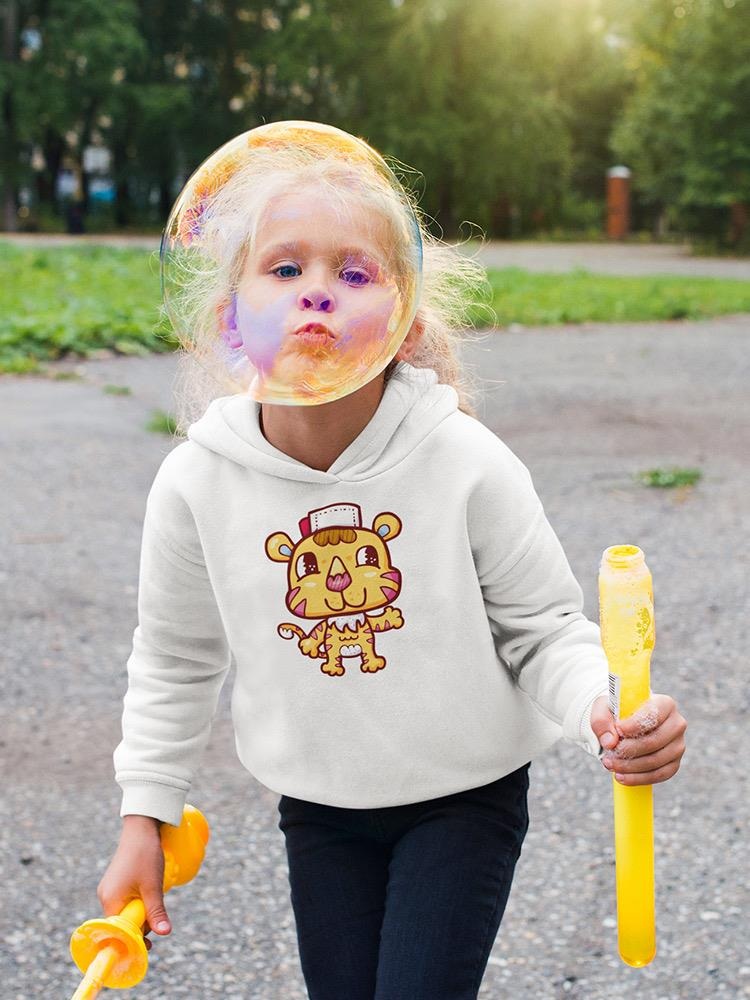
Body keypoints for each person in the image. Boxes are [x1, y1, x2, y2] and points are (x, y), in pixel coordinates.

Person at [97, 122, 687, 1000]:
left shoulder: (463, 460)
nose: (318, 294)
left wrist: (603, 707)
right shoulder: (195, 482)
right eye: (285, 268)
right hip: (320, 810)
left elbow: (543, 629)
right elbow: (176, 660)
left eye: (356, 272)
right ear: (231, 315)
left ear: (404, 321)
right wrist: (143, 815)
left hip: (464, 798)